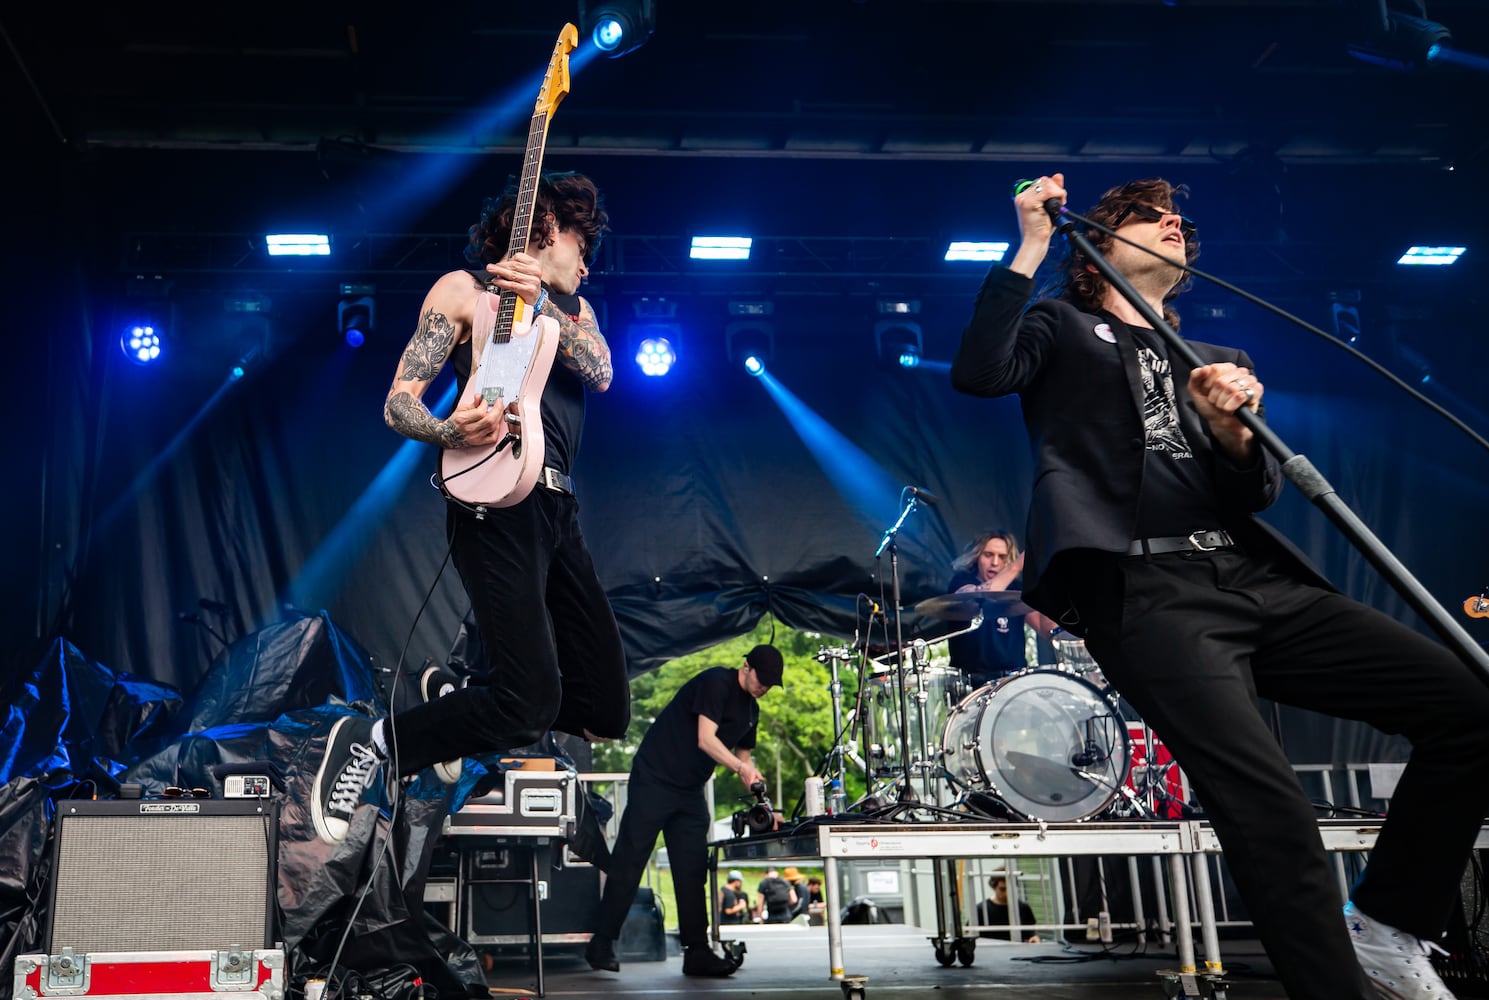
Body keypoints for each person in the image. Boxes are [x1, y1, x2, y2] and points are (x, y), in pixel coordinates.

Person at [950, 171, 1489, 999]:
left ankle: (1387, 922)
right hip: (1144, 590)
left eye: (1177, 220)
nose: (1172, 224)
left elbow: (1250, 494)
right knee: (1269, 810)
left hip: (1243, 575)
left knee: (1469, 706)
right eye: (1148, 216)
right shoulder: (1062, 325)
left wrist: (1232, 429)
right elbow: (980, 372)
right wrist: (1029, 241)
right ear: (1098, 250)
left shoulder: (1220, 360)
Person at [308, 171, 631, 846]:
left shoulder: (570, 311)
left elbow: (600, 372)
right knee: (530, 701)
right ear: (546, 230)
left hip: (556, 510)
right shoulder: (462, 293)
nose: (587, 265)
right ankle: (376, 740)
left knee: (605, 709)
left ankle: (468, 708)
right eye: (581, 246)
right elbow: (399, 402)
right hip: (491, 502)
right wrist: (449, 431)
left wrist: (542, 303)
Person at [584, 645, 785, 977]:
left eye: (770, 684)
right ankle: (601, 943)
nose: (764, 687)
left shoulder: (751, 710)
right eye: (762, 679)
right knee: (631, 859)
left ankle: (697, 952)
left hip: (689, 791)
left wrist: (761, 797)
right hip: (655, 777)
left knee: (692, 868)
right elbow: (705, 739)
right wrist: (739, 768)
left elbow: (745, 759)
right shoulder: (715, 683)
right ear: (746, 667)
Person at [945, 530, 1056, 686]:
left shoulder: (1016, 589)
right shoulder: (961, 581)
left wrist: (1046, 580)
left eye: (1002, 557)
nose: (995, 562)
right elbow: (975, 598)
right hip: (972, 683)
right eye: (988, 555)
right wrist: (1016, 566)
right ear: (977, 556)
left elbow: (1047, 630)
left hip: (1013, 681)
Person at [976, 872, 1040, 943]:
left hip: (1021, 952)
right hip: (991, 951)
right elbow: (971, 935)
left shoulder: (1023, 907)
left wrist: (1034, 938)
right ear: (993, 887)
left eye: (1010, 888)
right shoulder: (981, 909)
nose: (1007, 893)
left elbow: (1032, 932)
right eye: (1002, 889)